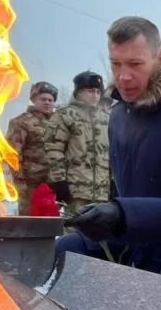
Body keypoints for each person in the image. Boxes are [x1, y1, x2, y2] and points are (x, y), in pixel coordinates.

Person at [55, 17, 161, 273]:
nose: (123, 76)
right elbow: (120, 188)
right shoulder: (119, 114)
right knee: (65, 251)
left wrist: (120, 214)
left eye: (135, 64)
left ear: (160, 58)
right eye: (115, 64)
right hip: (133, 243)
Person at [44, 70, 111, 213]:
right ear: (78, 92)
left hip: (102, 192)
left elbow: (111, 153)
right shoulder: (65, 115)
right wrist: (59, 181)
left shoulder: (106, 119)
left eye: (98, 92)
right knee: (76, 232)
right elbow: (53, 150)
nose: (95, 96)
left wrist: (112, 182)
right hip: (76, 190)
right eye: (90, 91)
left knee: (100, 233)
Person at [5, 81, 57, 215]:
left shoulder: (58, 124)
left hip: (53, 185)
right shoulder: (21, 122)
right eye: (43, 99)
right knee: (30, 223)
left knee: (51, 224)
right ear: (34, 100)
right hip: (30, 185)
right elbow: (13, 155)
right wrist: (20, 183)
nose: (47, 102)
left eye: (50, 100)